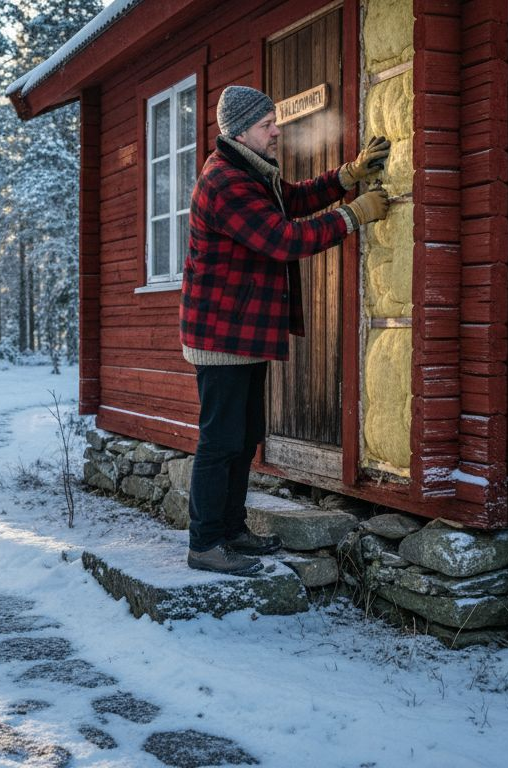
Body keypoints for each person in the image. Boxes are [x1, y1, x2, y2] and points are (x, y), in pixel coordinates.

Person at [180, 84, 391, 576]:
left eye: (275, 122)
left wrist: (346, 177)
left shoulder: (249, 172)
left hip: (242, 332)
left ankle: (230, 531)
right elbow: (282, 238)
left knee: (245, 434)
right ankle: (205, 543)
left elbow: (290, 201)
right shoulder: (224, 183)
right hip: (221, 334)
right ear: (239, 132)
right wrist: (352, 215)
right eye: (265, 125)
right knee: (220, 440)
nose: (276, 131)